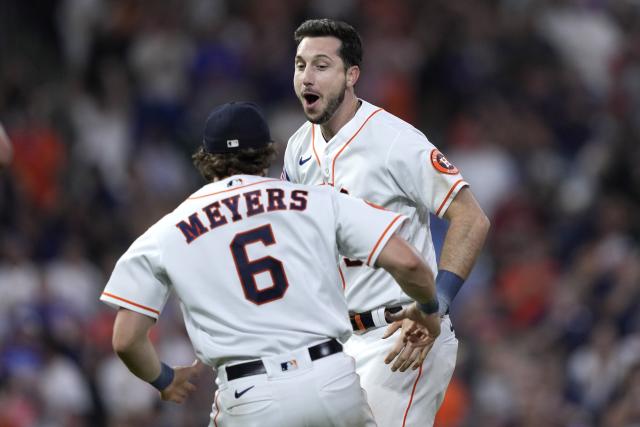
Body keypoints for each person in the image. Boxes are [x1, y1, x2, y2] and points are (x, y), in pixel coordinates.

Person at [100, 101, 444, 427]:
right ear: (267, 152)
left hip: (250, 394)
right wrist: (428, 308)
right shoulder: (317, 199)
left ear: (206, 159)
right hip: (332, 381)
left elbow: (126, 339)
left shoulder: (167, 231)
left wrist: (164, 379)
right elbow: (409, 265)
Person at [282, 19, 491, 426]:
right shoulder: (297, 149)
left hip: (400, 337)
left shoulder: (394, 140)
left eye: (322, 66)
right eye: (300, 65)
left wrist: (439, 304)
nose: (307, 77)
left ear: (351, 75)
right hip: (333, 343)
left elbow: (471, 218)